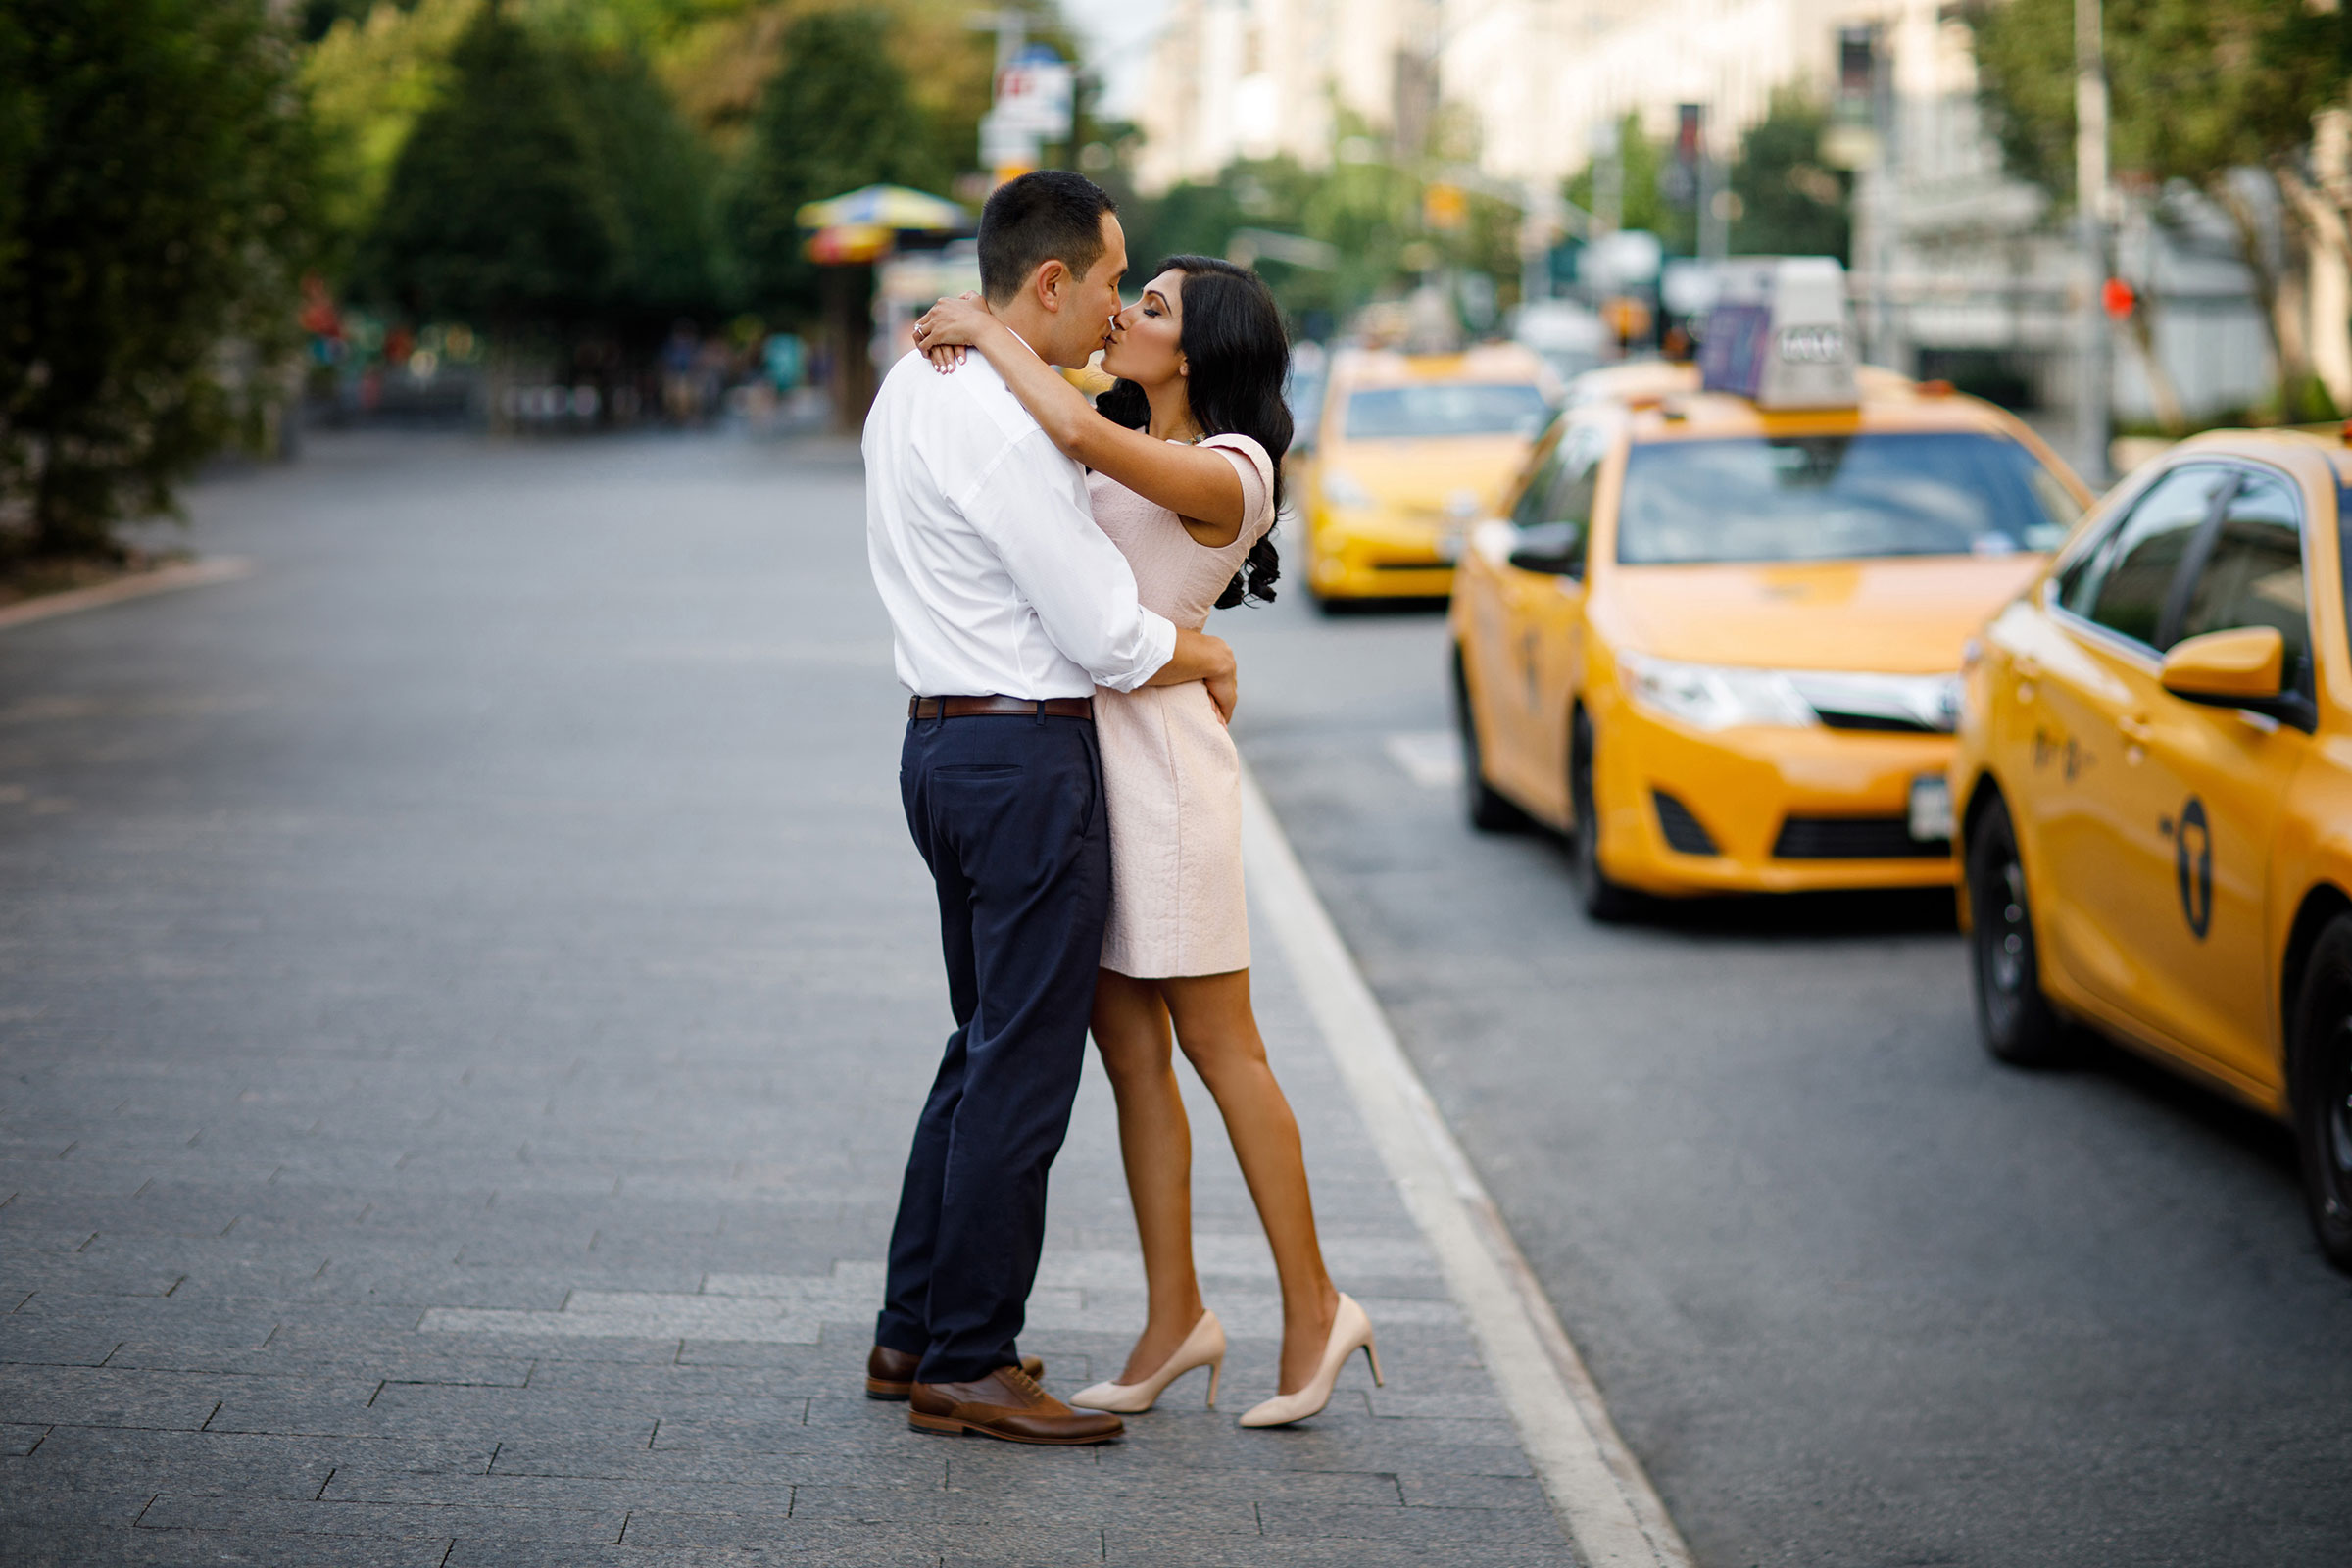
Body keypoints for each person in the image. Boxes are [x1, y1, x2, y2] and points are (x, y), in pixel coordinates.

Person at [912, 257, 1381, 1428]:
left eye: (1153, 307)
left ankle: (1317, 1307)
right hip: (1089, 770)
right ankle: (1175, 1315)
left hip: (1165, 775)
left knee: (1225, 1049)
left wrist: (984, 319)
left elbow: (1068, 425)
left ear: (1200, 349)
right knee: (1128, 1055)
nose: (1124, 313)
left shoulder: (1234, 470)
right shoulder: (1131, 424)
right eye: (1133, 295)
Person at [860, 172, 1241, 1447]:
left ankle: (914, 1328)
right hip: (1025, 761)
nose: (1117, 309)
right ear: (1048, 285)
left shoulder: (914, 381)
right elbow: (1102, 631)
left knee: (979, 1042)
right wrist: (1208, 656)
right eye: (1111, 282)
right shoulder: (1008, 423)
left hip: (939, 748)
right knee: (1021, 1062)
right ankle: (968, 1358)